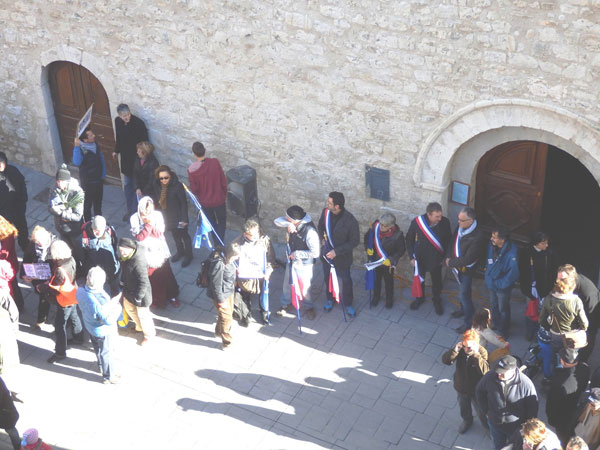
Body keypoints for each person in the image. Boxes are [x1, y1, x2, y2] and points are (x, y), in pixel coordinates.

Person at [476, 355, 538, 450]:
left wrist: (525, 429)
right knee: (498, 446)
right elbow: (479, 391)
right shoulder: (490, 377)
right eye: (498, 371)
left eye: (502, 373)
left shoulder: (526, 385)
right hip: (495, 424)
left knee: (515, 447)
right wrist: (485, 411)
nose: (498, 374)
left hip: (515, 428)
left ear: (512, 371)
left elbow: (532, 409)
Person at [538, 264, 588, 382]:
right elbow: (584, 324)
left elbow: (541, 320)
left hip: (555, 334)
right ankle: (564, 377)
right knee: (568, 357)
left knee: (555, 355)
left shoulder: (548, 299)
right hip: (570, 337)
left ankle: (551, 375)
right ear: (573, 284)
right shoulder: (576, 301)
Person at [38, 240, 83, 364]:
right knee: (74, 316)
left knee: (59, 326)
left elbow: (55, 288)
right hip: (73, 295)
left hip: (64, 300)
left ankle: (60, 353)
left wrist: (43, 287)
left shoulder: (60, 269)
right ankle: (79, 337)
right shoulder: (71, 259)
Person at [130, 197, 180, 309]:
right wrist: (149, 225)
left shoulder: (157, 215)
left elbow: (159, 234)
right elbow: (140, 237)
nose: (148, 214)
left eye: (150, 211)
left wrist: (149, 225)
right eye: (146, 212)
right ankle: (157, 300)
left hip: (158, 250)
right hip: (145, 253)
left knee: (165, 273)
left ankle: (172, 296)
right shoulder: (134, 218)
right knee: (150, 277)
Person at [318, 192, 360, 317]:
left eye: (330, 203)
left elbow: (354, 241)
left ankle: (348, 303)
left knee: (346, 281)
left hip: (342, 257)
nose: (327, 204)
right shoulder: (325, 213)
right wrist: (321, 238)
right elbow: (320, 226)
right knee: (328, 278)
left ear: (337, 206)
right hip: (327, 255)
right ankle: (330, 299)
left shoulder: (350, 220)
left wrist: (337, 252)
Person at [405, 202, 452, 314]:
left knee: (437, 282)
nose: (440, 218)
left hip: (437, 259)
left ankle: (437, 300)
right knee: (420, 280)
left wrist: (446, 257)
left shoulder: (445, 222)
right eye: (437, 216)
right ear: (429, 215)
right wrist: (411, 257)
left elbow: (449, 242)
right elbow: (409, 239)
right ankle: (419, 299)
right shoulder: (417, 223)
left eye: (440, 215)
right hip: (420, 258)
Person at [77, 266, 121, 384]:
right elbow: (108, 320)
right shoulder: (100, 302)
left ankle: (101, 364)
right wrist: (117, 308)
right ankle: (108, 376)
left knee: (97, 346)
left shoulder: (80, 290)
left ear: (87, 279)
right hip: (103, 331)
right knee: (106, 352)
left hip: (89, 326)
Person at [275, 205, 320, 320]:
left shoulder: (310, 232)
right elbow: (277, 221)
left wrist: (297, 254)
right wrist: (288, 224)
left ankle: (309, 307)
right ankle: (285, 304)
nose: (285, 218)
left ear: (296, 221)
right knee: (287, 284)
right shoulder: (292, 223)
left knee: (305, 287)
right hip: (292, 261)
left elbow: (315, 253)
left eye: (287, 218)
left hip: (304, 264)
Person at [441, 329, 489, 434]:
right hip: (461, 386)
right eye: (466, 346)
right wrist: (455, 350)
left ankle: (487, 427)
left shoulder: (482, 352)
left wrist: (476, 356)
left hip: (476, 389)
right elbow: (446, 361)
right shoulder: (460, 350)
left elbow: (485, 372)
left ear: (476, 344)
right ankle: (467, 421)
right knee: (464, 407)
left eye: (471, 346)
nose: (468, 349)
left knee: (481, 411)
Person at [445, 207, 485, 331]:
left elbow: (468, 259)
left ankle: (469, 322)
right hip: (457, 266)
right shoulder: (461, 227)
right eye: (458, 219)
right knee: (462, 292)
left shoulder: (478, 236)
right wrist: (448, 256)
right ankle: (463, 310)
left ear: (471, 220)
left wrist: (451, 262)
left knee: (464, 295)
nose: (459, 222)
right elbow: (452, 242)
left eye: (462, 220)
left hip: (466, 269)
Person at [233, 219, 276, 325]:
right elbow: (230, 260)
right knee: (245, 294)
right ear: (245, 234)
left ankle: (264, 312)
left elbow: (271, 259)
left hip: (261, 275)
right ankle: (246, 312)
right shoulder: (237, 243)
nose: (256, 236)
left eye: (257, 232)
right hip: (245, 277)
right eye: (253, 234)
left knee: (263, 294)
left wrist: (269, 271)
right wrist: (236, 268)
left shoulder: (265, 240)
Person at [518, 231, 559, 340]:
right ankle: (529, 332)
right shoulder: (526, 252)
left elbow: (554, 270)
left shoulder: (550, 253)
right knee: (530, 311)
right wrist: (526, 289)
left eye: (547, 243)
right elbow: (522, 271)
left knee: (542, 312)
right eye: (543, 243)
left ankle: (538, 333)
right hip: (531, 288)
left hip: (545, 289)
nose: (547, 245)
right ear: (536, 243)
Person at [546, 347, 590, 446]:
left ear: (563, 361)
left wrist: (551, 420)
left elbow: (552, 404)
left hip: (561, 416)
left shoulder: (559, 382)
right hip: (575, 408)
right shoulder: (585, 367)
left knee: (562, 437)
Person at [151, 165, 193, 267]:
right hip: (167, 216)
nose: (164, 180)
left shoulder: (177, 186)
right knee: (175, 235)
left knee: (184, 235)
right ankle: (180, 251)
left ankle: (189, 255)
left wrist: (184, 219)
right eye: (161, 178)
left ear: (170, 176)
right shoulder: (157, 185)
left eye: (166, 177)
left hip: (178, 216)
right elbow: (157, 199)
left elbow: (183, 203)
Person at [113, 104, 149, 220]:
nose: (126, 118)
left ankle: (136, 212)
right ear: (119, 116)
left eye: (127, 115)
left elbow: (145, 143)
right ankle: (131, 210)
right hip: (126, 160)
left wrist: (143, 158)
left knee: (137, 187)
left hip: (137, 161)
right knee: (128, 186)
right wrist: (116, 151)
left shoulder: (138, 124)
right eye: (123, 116)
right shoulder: (118, 122)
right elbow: (119, 138)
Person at [363, 212, 405, 309]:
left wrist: (391, 260)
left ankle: (389, 299)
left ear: (390, 227)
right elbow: (367, 238)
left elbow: (401, 251)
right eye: (380, 224)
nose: (380, 227)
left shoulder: (397, 235)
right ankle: (376, 296)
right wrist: (368, 249)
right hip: (375, 261)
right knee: (376, 280)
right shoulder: (375, 228)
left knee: (388, 281)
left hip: (387, 263)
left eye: (383, 225)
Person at [188, 141, 227, 242]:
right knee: (222, 222)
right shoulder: (215, 162)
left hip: (205, 202)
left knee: (212, 224)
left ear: (194, 153)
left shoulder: (192, 170)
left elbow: (194, 189)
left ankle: (217, 245)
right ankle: (220, 243)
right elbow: (223, 180)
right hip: (219, 199)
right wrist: (223, 194)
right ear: (204, 150)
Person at [118, 237, 155, 345]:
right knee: (130, 309)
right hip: (129, 290)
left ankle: (149, 335)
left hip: (140, 296)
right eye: (120, 250)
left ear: (131, 248)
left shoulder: (138, 262)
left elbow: (143, 282)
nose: (122, 252)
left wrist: (138, 297)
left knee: (144, 316)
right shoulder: (127, 257)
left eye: (124, 250)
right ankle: (139, 327)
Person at [484, 226, 519, 338]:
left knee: (503, 308)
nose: (491, 239)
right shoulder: (492, 246)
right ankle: (495, 323)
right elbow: (489, 261)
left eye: (494, 237)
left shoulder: (511, 254)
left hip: (502, 287)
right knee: (493, 305)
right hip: (492, 283)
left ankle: (503, 331)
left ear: (502, 239)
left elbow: (512, 274)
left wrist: (499, 284)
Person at [20, 226, 57, 331]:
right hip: (38, 278)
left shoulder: (55, 245)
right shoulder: (32, 244)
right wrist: (24, 274)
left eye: (40, 242)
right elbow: (26, 259)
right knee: (43, 298)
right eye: (37, 242)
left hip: (52, 277)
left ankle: (64, 318)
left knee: (55, 299)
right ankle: (41, 320)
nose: (39, 244)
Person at [48, 164, 84, 263]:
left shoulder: (77, 192)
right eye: (58, 181)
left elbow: (77, 216)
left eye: (62, 181)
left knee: (79, 252)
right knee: (66, 253)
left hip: (74, 230)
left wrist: (60, 213)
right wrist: (54, 209)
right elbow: (49, 207)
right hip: (61, 228)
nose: (59, 184)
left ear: (67, 181)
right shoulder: (55, 188)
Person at [207, 243, 240, 349]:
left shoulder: (228, 260)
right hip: (221, 296)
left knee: (226, 315)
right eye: (236, 255)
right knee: (227, 319)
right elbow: (216, 285)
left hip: (228, 292)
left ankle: (218, 331)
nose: (237, 257)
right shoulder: (219, 264)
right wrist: (221, 301)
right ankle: (227, 341)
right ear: (230, 254)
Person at [72, 127, 106, 222]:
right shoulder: (80, 149)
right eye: (91, 135)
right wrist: (76, 147)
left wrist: (103, 174)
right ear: (85, 140)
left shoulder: (95, 144)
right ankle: (87, 224)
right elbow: (77, 162)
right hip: (88, 183)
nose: (94, 136)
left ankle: (99, 222)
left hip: (98, 181)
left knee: (98, 204)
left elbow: (100, 158)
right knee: (87, 206)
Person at [81, 215, 120, 295]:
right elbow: (84, 251)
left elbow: (114, 243)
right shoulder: (85, 235)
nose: (98, 233)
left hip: (109, 264)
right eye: (95, 230)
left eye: (100, 230)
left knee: (114, 284)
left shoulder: (109, 231)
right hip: (95, 266)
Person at [0, 152, 28, 251]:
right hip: (4, 215)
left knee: (23, 231)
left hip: (18, 209)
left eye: (2, 163)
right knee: (6, 238)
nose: (1, 165)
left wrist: (24, 200)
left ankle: (26, 247)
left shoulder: (13, 171)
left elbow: (22, 184)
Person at [574, 272, 600, 363]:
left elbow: (590, 314)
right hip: (588, 311)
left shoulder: (589, 294)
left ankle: (582, 360)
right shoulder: (577, 281)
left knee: (590, 336)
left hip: (593, 317)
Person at [0, 216, 24, 312]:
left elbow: (4, 254)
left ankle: (18, 305)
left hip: (8, 267)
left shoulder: (7, 236)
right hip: (6, 266)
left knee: (13, 285)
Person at [0, 376, 20, 450]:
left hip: (6, 414)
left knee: (10, 429)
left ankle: (18, 447)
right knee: (11, 429)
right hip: (5, 412)